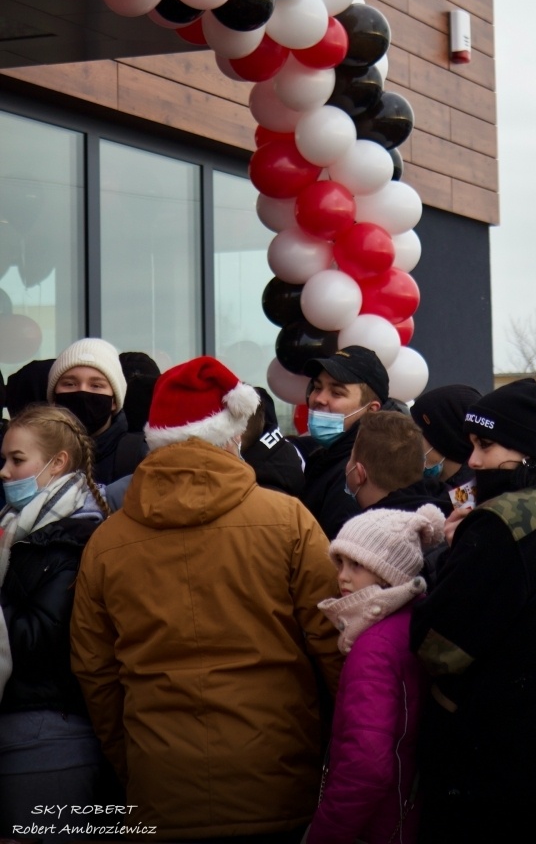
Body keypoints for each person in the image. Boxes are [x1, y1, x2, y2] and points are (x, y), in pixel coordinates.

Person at [71, 355, 343, 842]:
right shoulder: (288, 520)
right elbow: (333, 641)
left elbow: (96, 672)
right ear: (233, 435)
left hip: (160, 780)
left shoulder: (107, 542)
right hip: (277, 776)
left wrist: (132, 763)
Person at [410, 378, 536, 843]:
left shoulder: (498, 524)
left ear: (526, 451)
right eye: (472, 444)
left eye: (486, 445)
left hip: (483, 757)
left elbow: (437, 648)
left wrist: (452, 558)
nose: (473, 460)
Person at [306, 504, 446, 844]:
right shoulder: (412, 623)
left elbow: (366, 765)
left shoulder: (374, 646)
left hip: (375, 824)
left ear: (389, 572)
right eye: (340, 562)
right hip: (405, 811)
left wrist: (324, 834)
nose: (342, 576)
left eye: (357, 565)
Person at [0, 404, 109, 838]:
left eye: (17, 460)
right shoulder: (17, 530)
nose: (5, 472)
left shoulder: (77, 539)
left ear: (57, 462)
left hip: (50, 736)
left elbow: (40, 640)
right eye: (4, 460)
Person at [299, 346, 389, 539]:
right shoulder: (327, 456)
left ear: (371, 410)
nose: (319, 399)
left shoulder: (359, 474)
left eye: (336, 393)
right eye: (317, 387)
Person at [47, 338, 147, 484]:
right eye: (69, 384)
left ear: (114, 401)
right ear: (54, 398)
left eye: (96, 385)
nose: (82, 391)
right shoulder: (33, 453)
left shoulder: (139, 456)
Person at [345, 411, 451, 517]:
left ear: (360, 474)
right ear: (422, 465)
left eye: (351, 457)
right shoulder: (451, 499)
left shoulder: (366, 526)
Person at [409, 384, 480, 500]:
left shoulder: (468, 499)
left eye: (416, 432)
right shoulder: (428, 490)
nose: (407, 440)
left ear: (445, 440)